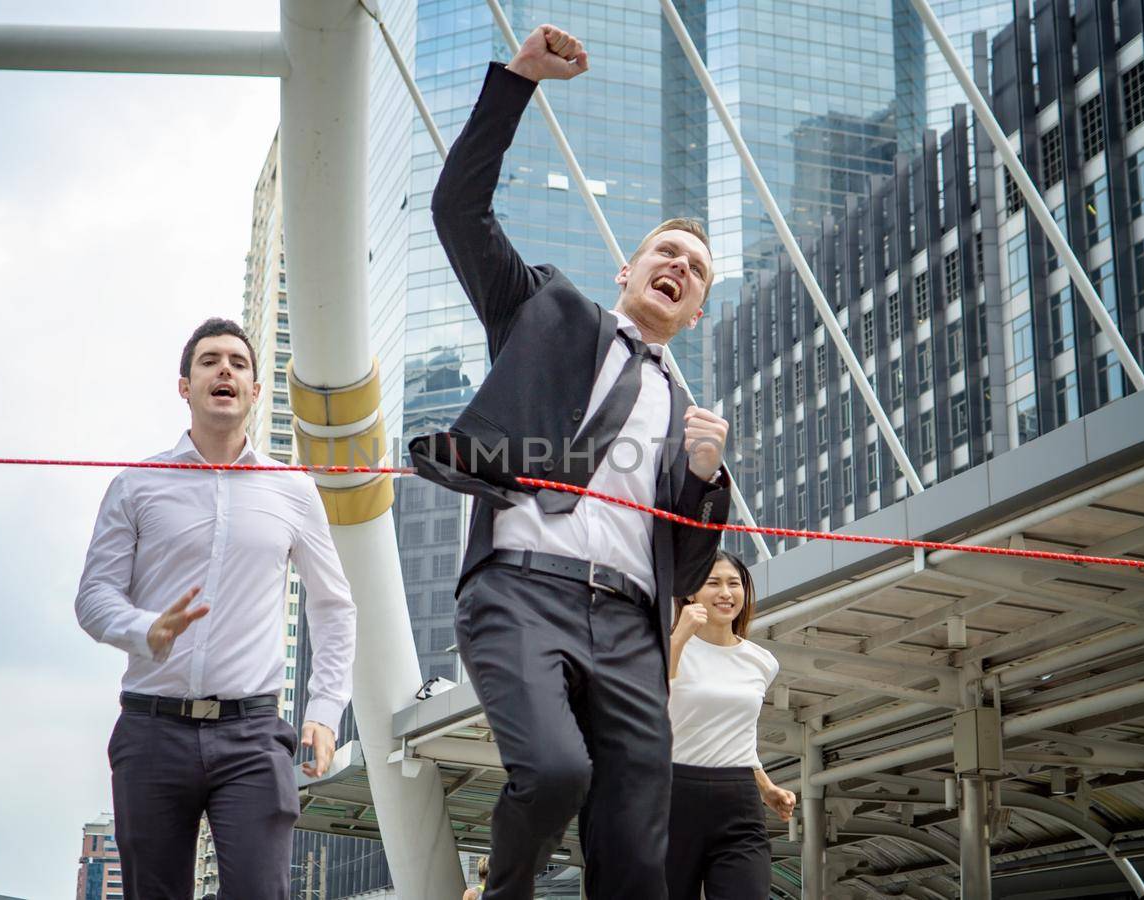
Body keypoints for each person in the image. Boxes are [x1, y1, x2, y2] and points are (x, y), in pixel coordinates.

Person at [409, 23, 732, 900]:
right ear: (627, 267)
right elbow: (458, 211)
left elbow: (691, 568)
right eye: (667, 251)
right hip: (523, 589)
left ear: (697, 310)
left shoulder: (692, 422)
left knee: (636, 851)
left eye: (696, 269)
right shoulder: (546, 311)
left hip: (630, 629)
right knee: (554, 773)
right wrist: (518, 81)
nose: (679, 266)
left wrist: (706, 481)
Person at [75, 318, 356, 899]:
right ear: (185, 386)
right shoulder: (136, 485)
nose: (224, 368)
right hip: (152, 729)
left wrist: (324, 711)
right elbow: (93, 597)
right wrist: (144, 629)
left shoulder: (294, 491)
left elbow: (333, 606)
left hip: (253, 736)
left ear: (255, 390)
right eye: (208, 361)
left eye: (238, 361)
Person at [666, 551, 795, 898]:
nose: (726, 592)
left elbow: (735, 733)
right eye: (713, 583)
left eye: (734, 584)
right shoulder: (665, 647)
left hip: (738, 799)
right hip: (672, 795)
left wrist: (766, 787)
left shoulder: (762, 663)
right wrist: (678, 637)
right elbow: (649, 700)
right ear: (691, 592)